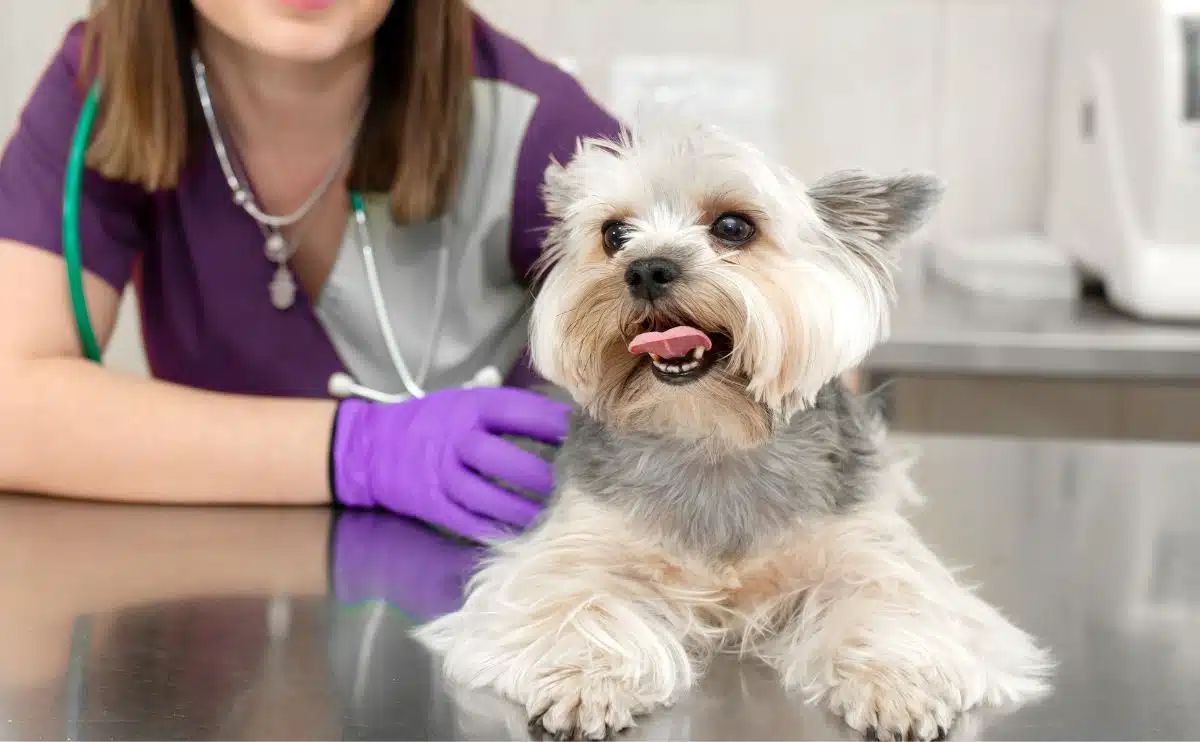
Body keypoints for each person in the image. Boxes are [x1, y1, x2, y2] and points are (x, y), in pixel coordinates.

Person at [0, 0, 621, 541]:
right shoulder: (107, 86)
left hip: (475, 619)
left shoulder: (538, 125)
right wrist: (358, 450)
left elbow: (699, 383)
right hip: (205, 631)